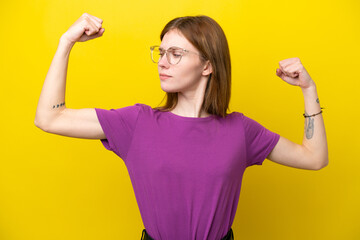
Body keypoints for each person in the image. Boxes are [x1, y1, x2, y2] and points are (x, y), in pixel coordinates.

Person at [34, 13, 328, 240]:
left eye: (175, 53)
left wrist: (308, 89)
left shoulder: (240, 130)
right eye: (160, 52)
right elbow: (50, 118)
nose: (162, 62)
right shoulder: (136, 123)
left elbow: (314, 158)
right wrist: (66, 42)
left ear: (207, 65)